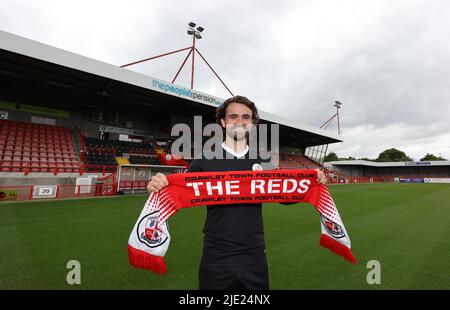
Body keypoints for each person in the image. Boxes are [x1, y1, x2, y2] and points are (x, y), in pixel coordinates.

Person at [147, 96, 327, 289]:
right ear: (223, 122)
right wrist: (158, 185)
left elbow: (285, 194)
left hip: (254, 253)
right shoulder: (204, 160)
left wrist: (311, 181)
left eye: (246, 117)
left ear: (252, 124)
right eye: (233, 116)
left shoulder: (263, 160)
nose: (240, 122)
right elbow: (178, 190)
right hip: (216, 254)